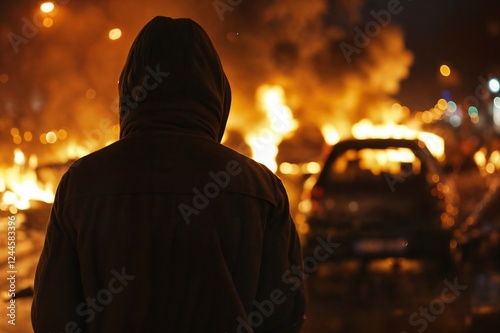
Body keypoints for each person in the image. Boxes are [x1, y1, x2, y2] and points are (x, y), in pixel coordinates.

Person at [32, 16, 307, 332]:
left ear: (130, 90)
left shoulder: (81, 183)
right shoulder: (261, 188)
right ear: (218, 93)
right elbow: (284, 314)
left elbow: (53, 316)